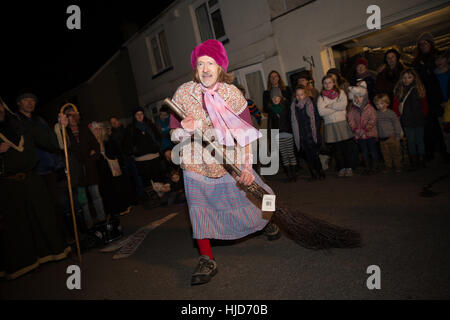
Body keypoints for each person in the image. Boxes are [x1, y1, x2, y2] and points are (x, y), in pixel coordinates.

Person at [170, 39, 280, 286]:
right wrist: (185, 131)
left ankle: (268, 220)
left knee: (252, 196)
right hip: (195, 162)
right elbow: (173, 134)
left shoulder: (232, 93)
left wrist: (247, 167)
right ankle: (207, 258)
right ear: (195, 68)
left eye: (211, 63)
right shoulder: (183, 93)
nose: (206, 68)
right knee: (199, 211)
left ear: (220, 67)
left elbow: (246, 132)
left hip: (229, 158)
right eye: (200, 64)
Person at [0, 101, 70, 280]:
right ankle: (25, 263)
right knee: (18, 225)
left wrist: (60, 126)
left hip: (32, 178)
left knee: (43, 216)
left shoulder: (20, 123)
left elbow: (48, 141)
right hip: (8, 184)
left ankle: (50, 254)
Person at [57, 106, 107, 228]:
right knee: (83, 200)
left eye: (74, 115)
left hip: (90, 169)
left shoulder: (84, 128)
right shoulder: (65, 132)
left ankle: (103, 220)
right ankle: (89, 224)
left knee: (96, 196)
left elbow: (95, 145)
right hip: (77, 173)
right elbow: (62, 149)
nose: (72, 118)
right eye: (69, 116)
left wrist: (92, 156)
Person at [413, 32, 448, 162]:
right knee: (429, 127)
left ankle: (445, 152)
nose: (423, 46)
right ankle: (431, 153)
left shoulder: (437, 58)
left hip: (438, 98)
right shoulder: (417, 61)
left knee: (442, 127)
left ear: (431, 44)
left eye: (425, 43)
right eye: (421, 44)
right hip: (424, 98)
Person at [317, 75, 354, 177]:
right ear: (323, 85)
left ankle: (349, 167)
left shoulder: (340, 93)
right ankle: (341, 168)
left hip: (341, 122)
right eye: (325, 83)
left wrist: (330, 106)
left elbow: (343, 105)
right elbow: (321, 112)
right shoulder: (321, 97)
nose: (327, 85)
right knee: (336, 149)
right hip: (330, 125)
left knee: (345, 147)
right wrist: (336, 107)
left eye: (329, 82)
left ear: (334, 83)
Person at [392, 68, 429, 170]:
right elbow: (396, 106)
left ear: (414, 78)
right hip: (407, 120)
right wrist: (398, 116)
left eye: (409, 77)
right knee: (411, 141)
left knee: (420, 140)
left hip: (418, 119)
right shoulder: (399, 90)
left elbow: (424, 105)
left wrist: (423, 115)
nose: (406, 80)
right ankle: (414, 160)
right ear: (401, 79)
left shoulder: (419, 89)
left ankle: (422, 159)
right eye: (404, 78)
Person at [124, 107, 165, 191]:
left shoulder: (150, 125)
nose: (139, 116)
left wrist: (157, 146)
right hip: (141, 160)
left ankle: (162, 196)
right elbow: (127, 144)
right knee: (147, 182)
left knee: (158, 179)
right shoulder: (131, 128)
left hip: (154, 157)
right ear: (134, 116)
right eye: (137, 114)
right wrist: (134, 151)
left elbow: (158, 137)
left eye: (141, 114)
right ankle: (152, 200)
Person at [290, 85, 324, 181]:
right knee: (307, 156)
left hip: (311, 133)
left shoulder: (310, 103)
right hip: (301, 135)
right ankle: (313, 174)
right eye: (297, 95)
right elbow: (294, 121)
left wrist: (316, 130)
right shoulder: (294, 106)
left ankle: (320, 172)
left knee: (314, 154)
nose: (299, 97)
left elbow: (316, 118)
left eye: (301, 94)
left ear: (305, 94)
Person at [109, 116, 145, 204]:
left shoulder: (125, 130)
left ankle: (141, 195)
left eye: (115, 121)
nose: (114, 123)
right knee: (128, 179)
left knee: (137, 176)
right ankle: (134, 198)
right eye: (112, 122)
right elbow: (115, 147)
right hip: (122, 160)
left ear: (118, 121)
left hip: (130, 157)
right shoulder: (112, 135)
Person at [348, 82, 379, 175]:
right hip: (360, 136)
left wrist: (365, 130)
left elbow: (373, 120)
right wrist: (356, 130)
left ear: (364, 97)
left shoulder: (370, 108)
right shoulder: (352, 110)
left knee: (373, 151)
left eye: (360, 97)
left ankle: (375, 166)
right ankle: (367, 167)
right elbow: (351, 121)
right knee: (364, 152)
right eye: (355, 97)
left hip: (370, 134)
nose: (358, 99)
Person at [374, 94, 403, 173]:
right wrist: (376, 135)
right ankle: (388, 166)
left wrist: (397, 135)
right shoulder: (375, 114)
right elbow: (375, 126)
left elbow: (396, 124)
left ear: (387, 103)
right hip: (382, 138)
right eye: (377, 104)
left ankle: (398, 166)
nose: (379, 106)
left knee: (396, 153)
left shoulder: (391, 113)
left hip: (392, 137)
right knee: (385, 154)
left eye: (382, 103)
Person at [434, 50, 450, 149]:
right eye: (437, 59)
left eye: (442, 58)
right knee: (446, 133)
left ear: (448, 59)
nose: (439, 61)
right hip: (440, 107)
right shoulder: (433, 75)